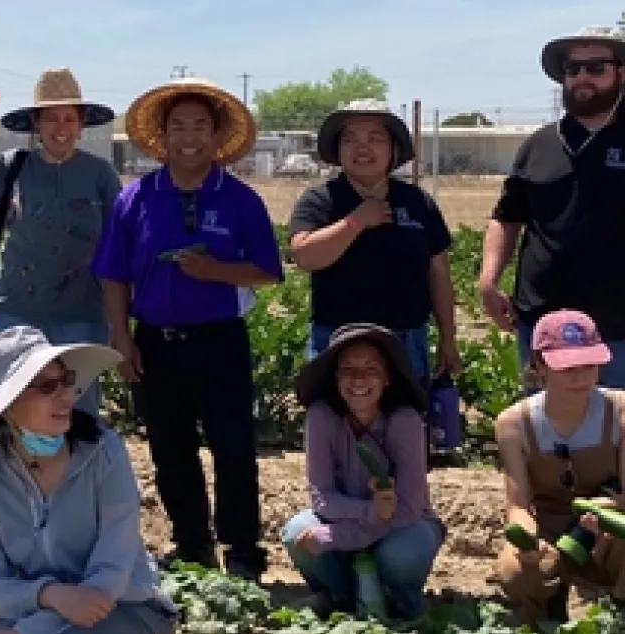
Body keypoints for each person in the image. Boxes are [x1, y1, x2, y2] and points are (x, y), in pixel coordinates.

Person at [89, 77, 282, 580]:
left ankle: (242, 551)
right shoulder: (136, 199)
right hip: (156, 342)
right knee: (169, 449)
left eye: (201, 125)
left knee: (233, 447)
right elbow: (113, 275)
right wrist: (122, 338)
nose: (190, 136)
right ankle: (193, 546)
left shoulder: (241, 199)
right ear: (163, 136)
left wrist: (216, 271)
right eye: (179, 126)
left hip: (221, 341)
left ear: (217, 136)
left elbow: (267, 269)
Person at [477, 25, 625, 392]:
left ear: (621, 74)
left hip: (621, 328)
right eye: (574, 69)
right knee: (541, 433)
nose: (582, 77)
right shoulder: (538, 145)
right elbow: (506, 219)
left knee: (615, 431)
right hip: (541, 326)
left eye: (596, 67)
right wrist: (488, 280)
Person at [0, 325, 179, 634]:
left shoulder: (105, 453)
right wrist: (49, 595)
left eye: (66, 381)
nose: (66, 396)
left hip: (125, 608)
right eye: (46, 387)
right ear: (6, 409)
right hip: (31, 615)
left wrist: (32, 629)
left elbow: (110, 575)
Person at [0, 68, 123, 418]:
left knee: (78, 413)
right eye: (51, 119)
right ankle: (21, 474)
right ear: (36, 124)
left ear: (81, 123)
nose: (61, 128)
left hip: (83, 312)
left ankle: (76, 474)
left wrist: (119, 319)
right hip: (17, 311)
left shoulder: (99, 174)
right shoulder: (14, 164)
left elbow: (117, 245)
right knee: (18, 409)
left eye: (69, 118)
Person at [491, 310, 625, 628]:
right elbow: (517, 505)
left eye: (588, 365)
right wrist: (528, 539)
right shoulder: (514, 423)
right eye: (567, 367)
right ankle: (546, 608)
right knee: (514, 569)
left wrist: (601, 510)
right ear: (539, 365)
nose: (580, 376)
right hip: (550, 526)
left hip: (609, 522)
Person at [287, 100, 458, 386]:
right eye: (350, 139)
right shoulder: (320, 200)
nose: (362, 148)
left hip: (407, 339)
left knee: (406, 424)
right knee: (335, 424)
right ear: (338, 150)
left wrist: (448, 337)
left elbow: (438, 274)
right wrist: (355, 222)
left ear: (394, 149)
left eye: (375, 139)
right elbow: (304, 256)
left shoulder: (416, 202)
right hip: (335, 341)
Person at [280, 324, 445, 619]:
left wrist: (336, 537)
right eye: (348, 369)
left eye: (371, 369)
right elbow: (322, 498)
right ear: (335, 377)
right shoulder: (321, 416)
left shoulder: (405, 421)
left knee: (404, 550)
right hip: (350, 516)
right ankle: (339, 596)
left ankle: (401, 601)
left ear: (388, 378)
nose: (359, 379)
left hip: (402, 525)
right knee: (296, 532)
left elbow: (407, 509)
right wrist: (371, 512)